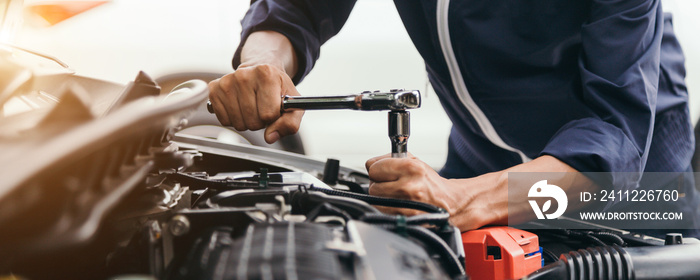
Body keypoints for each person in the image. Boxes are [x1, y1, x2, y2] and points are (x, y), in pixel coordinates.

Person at [208, 0, 700, 236]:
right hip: (478, 163)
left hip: (635, 191)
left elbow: (616, 136)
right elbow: (295, 8)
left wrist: (464, 200)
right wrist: (262, 65)